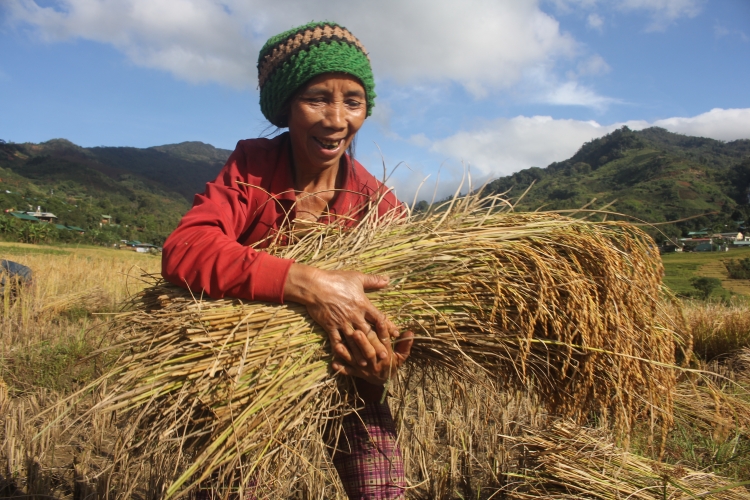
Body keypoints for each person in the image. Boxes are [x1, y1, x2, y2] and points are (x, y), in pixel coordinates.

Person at [162, 21, 414, 499]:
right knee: (231, 486)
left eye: (353, 102)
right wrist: (307, 284)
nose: (337, 119)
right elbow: (185, 248)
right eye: (317, 98)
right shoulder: (254, 168)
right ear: (286, 108)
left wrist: (388, 355)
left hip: (348, 377)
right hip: (243, 374)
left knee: (383, 489)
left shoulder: (377, 204)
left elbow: (408, 303)